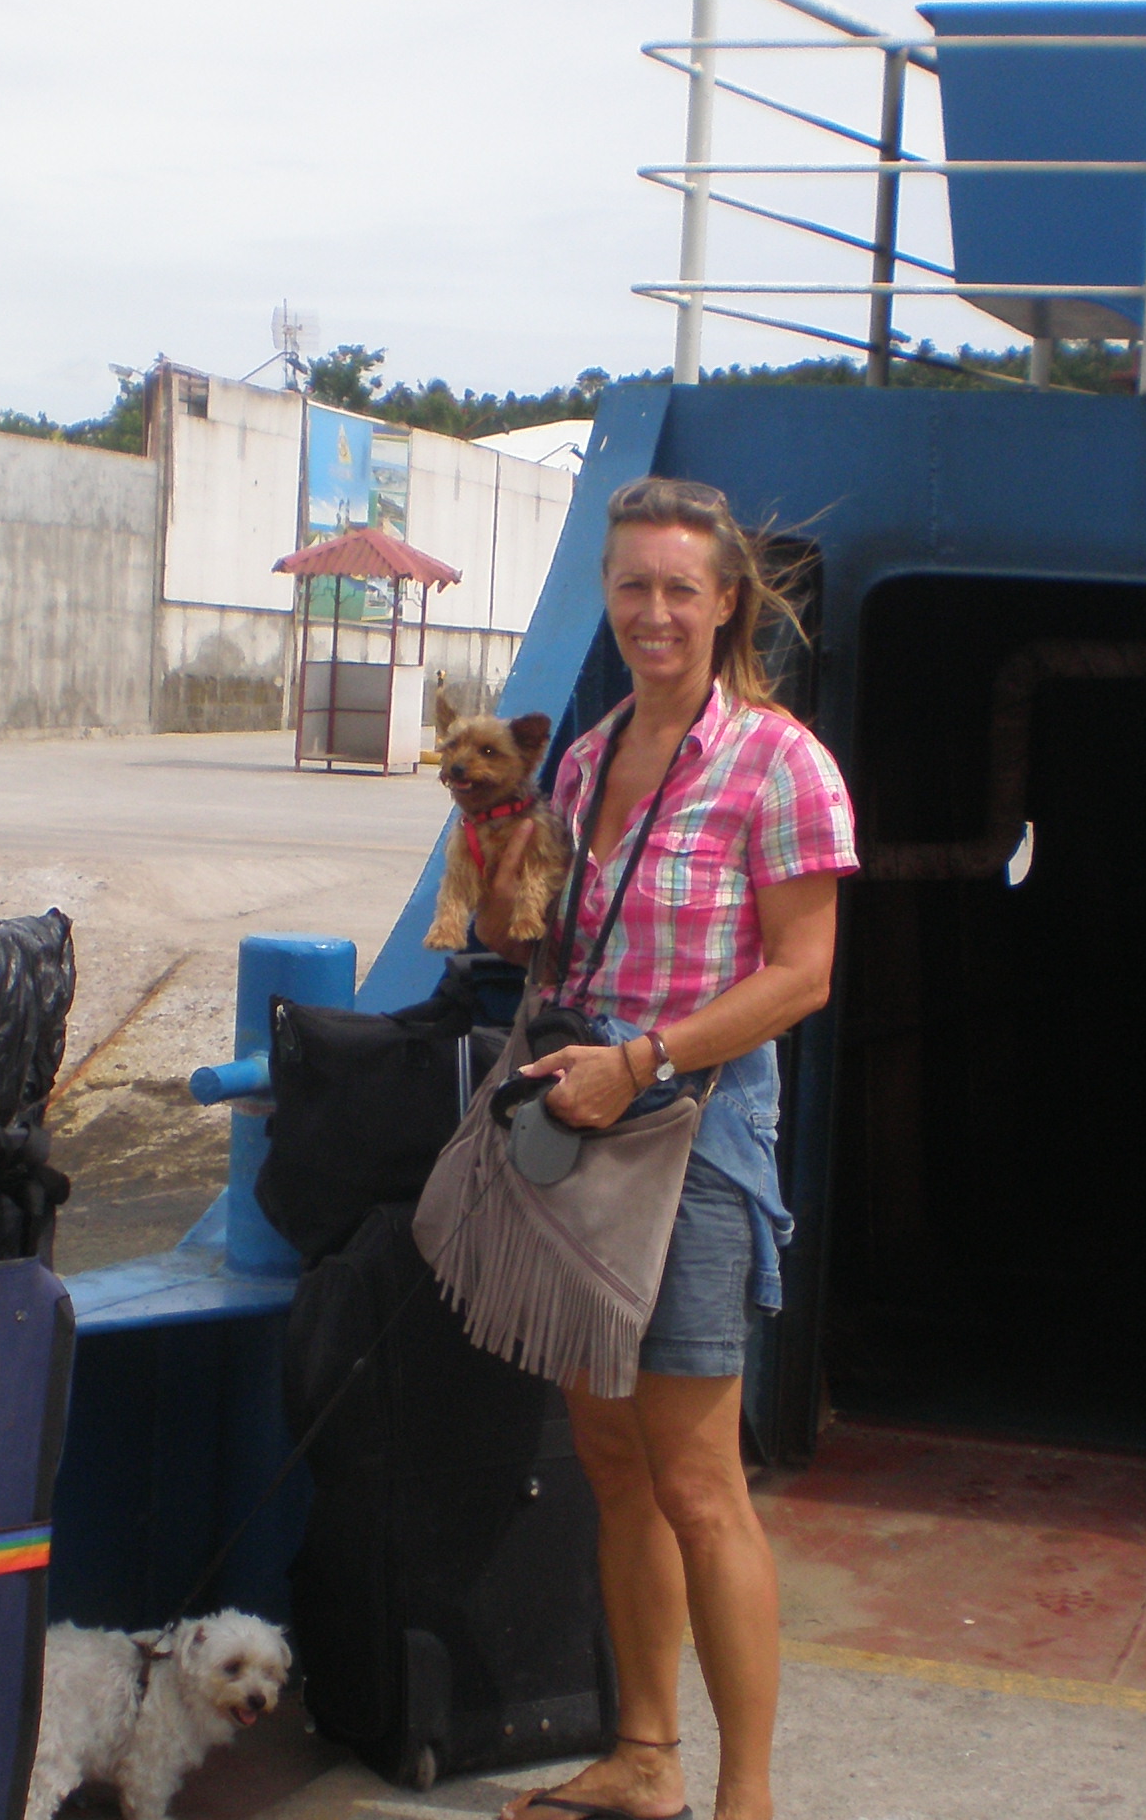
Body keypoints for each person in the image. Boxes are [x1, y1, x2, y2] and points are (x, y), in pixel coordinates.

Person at [473, 476, 857, 1820]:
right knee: (612, 1459)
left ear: (725, 603)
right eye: (632, 585)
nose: (654, 612)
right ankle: (647, 1759)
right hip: (584, 1122)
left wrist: (641, 1060)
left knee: (699, 1481)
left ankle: (745, 1800)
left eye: (679, 589)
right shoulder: (586, 761)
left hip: (692, 1133)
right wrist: (493, 851)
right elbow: (535, 944)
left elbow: (803, 975)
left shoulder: (781, 762)